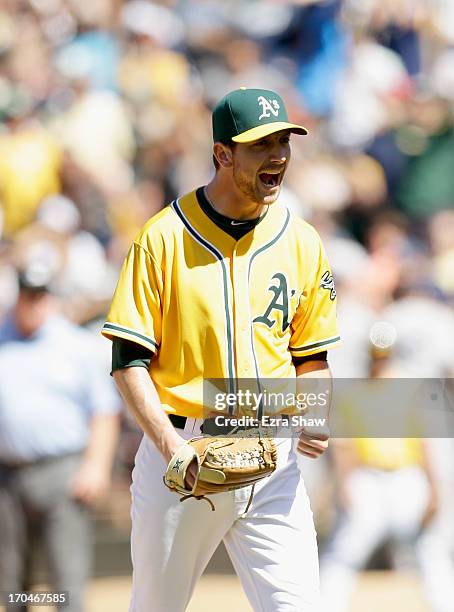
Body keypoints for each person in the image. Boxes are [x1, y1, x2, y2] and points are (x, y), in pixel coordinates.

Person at [102, 87, 341, 611]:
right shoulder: (162, 238)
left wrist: (316, 414)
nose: (277, 155)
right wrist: (172, 450)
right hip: (187, 453)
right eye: (260, 145)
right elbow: (127, 363)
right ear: (221, 154)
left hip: (273, 460)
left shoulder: (301, 240)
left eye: (283, 141)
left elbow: (312, 356)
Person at [0, 257, 120, 612]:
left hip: (62, 471)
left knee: (65, 580)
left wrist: (96, 466)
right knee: (11, 583)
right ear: (18, 296)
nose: (34, 303)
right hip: (7, 476)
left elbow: (104, 410)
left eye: (40, 295)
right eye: (28, 295)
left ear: (50, 298)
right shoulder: (2, 339)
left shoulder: (75, 345)